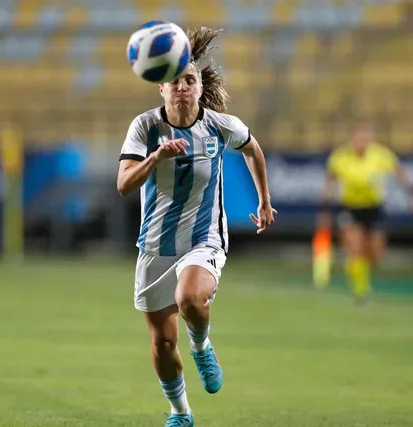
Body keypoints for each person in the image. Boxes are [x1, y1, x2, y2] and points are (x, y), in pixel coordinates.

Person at [117, 28, 276, 427]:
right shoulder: (145, 128)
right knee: (162, 342)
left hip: (203, 239)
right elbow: (123, 184)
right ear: (161, 88)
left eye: (190, 80)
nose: (182, 88)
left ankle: (202, 346)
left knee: (189, 298)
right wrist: (156, 157)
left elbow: (253, 149)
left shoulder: (220, 126)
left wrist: (264, 201)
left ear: (200, 86)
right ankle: (180, 413)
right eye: (175, 81)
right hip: (154, 245)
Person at [320, 122, 412, 303]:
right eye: (358, 138)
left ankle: (358, 271)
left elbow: (400, 174)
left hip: (374, 208)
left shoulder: (381, 155)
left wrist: (410, 194)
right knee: (356, 248)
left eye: (365, 138)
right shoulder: (341, 156)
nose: (361, 142)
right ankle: (361, 291)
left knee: (376, 254)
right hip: (351, 207)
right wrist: (325, 207)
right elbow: (330, 180)